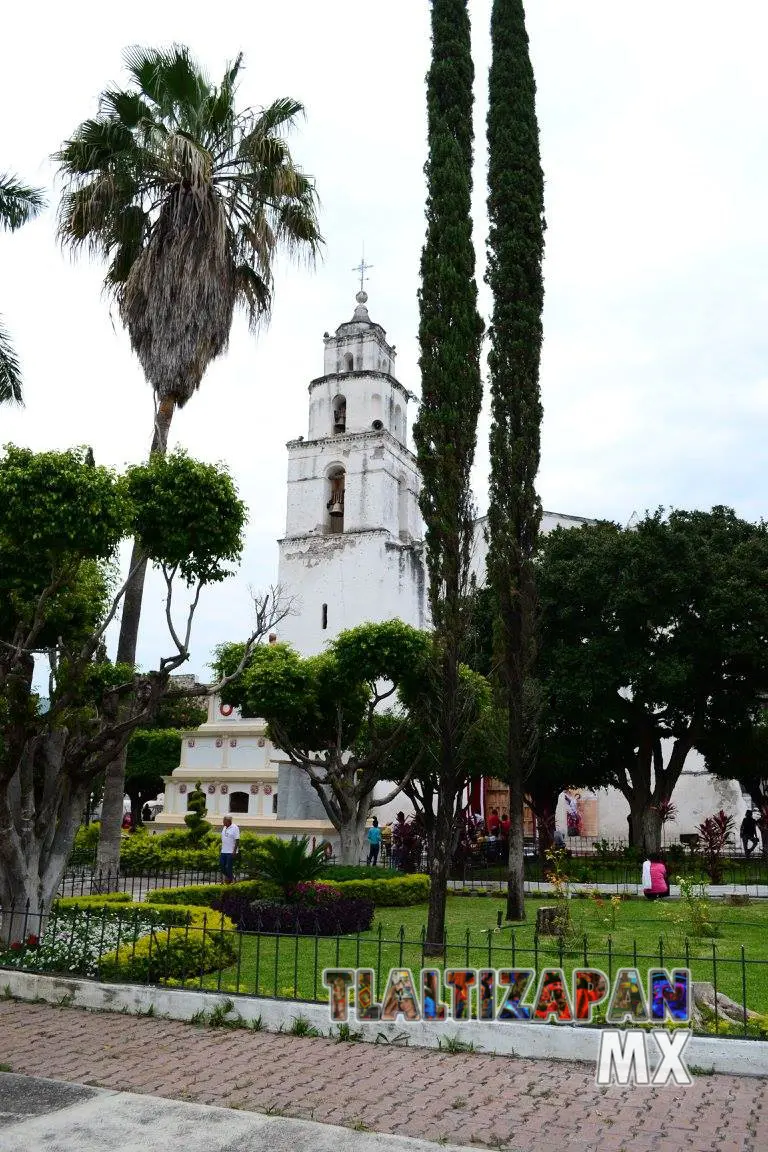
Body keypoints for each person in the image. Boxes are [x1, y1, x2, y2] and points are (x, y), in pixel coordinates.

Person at [220, 815, 240, 884]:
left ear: (228, 821)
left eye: (224, 821)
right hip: (223, 851)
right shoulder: (224, 827)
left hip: (231, 852)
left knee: (228, 867)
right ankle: (231, 877)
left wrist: (234, 851)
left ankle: (230, 880)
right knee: (222, 866)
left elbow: (237, 840)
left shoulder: (235, 828)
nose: (223, 823)